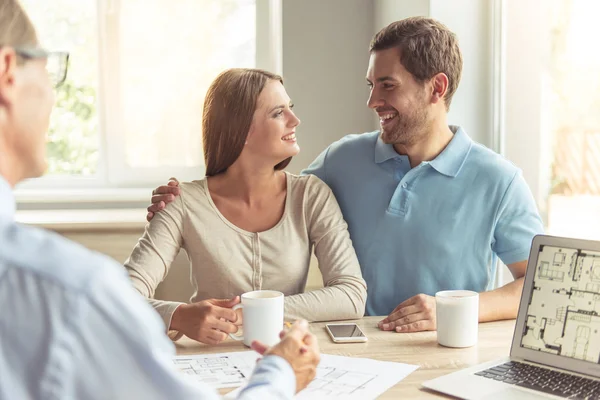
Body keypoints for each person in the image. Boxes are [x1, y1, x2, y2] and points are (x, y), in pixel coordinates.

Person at [0, 1, 320, 399]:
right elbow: (131, 289)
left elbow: (351, 291)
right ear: (8, 71)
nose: (52, 94)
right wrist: (280, 372)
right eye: (50, 67)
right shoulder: (70, 292)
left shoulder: (310, 192)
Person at [148, 17, 544, 334]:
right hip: (354, 348)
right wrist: (184, 202)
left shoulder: (499, 180)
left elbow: (534, 284)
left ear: (436, 88)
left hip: (445, 347)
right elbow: (264, 191)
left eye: (387, 86)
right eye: (371, 85)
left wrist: (453, 309)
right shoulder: (343, 159)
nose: (372, 102)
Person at [125, 68, 366, 345]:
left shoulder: (311, 195)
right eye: (278, 113)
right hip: (209, 359)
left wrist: (250, 314)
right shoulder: (181, 202)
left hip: (287, 357)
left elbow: (351, 295)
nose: (295, 120)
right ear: (240, 131)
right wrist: (178, 315)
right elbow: (121, 296)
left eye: (291, 108)